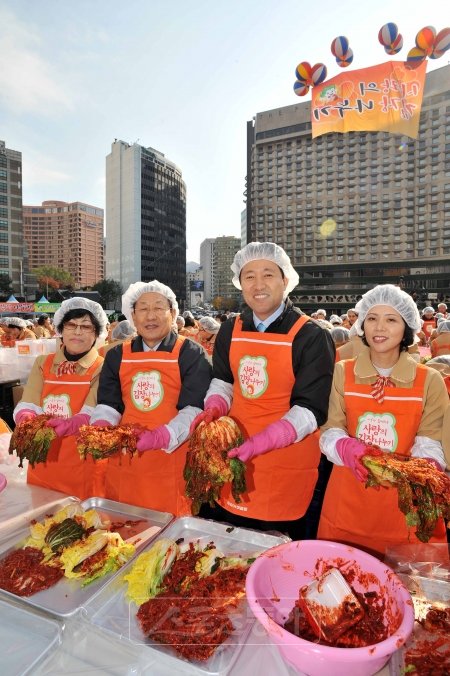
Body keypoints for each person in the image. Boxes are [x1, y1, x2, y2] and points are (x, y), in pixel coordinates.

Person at [191, 242, 335, 540]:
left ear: (286, 280)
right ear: (239, 283)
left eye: (268, 274)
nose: (258, 284)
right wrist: (215, 405)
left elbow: (311, 408)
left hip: (287, 461)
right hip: (233, 455)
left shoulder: (311, 335)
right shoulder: (231, 329)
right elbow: (223, 380)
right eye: (249, 276)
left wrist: (265, 440)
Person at [318, 284, 449, 556]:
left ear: (407, 327)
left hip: (404, 507)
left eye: (391, 320)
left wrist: (425, 467)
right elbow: (330, 429)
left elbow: (432, 439)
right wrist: (345, 447)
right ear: (361, 325)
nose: (380, 327)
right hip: (347, 504)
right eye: (372, 319)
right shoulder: (343, 372)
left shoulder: (429, 380)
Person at [90, 280, 212, 515]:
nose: (150, 316)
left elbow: (195, 408)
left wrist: (163, 436)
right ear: (133, 316)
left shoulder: (190, 352)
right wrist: (102, 428)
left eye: (158, 308)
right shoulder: (117, 354)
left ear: (173, 313)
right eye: (143, 309)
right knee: (124, 529)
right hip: (126, 459)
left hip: (173, 460)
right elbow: (108, 403)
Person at [13, 298, 108, 498]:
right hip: (42, 460)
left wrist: (73, 424)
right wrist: (26, 417)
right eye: (71, 325)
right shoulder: (43, 363)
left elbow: (93, 411)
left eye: (86, 327)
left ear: (97, 334)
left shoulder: (102, 367)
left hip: (82, 466)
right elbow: (29, 401)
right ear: (60, 330)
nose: (78, 332)